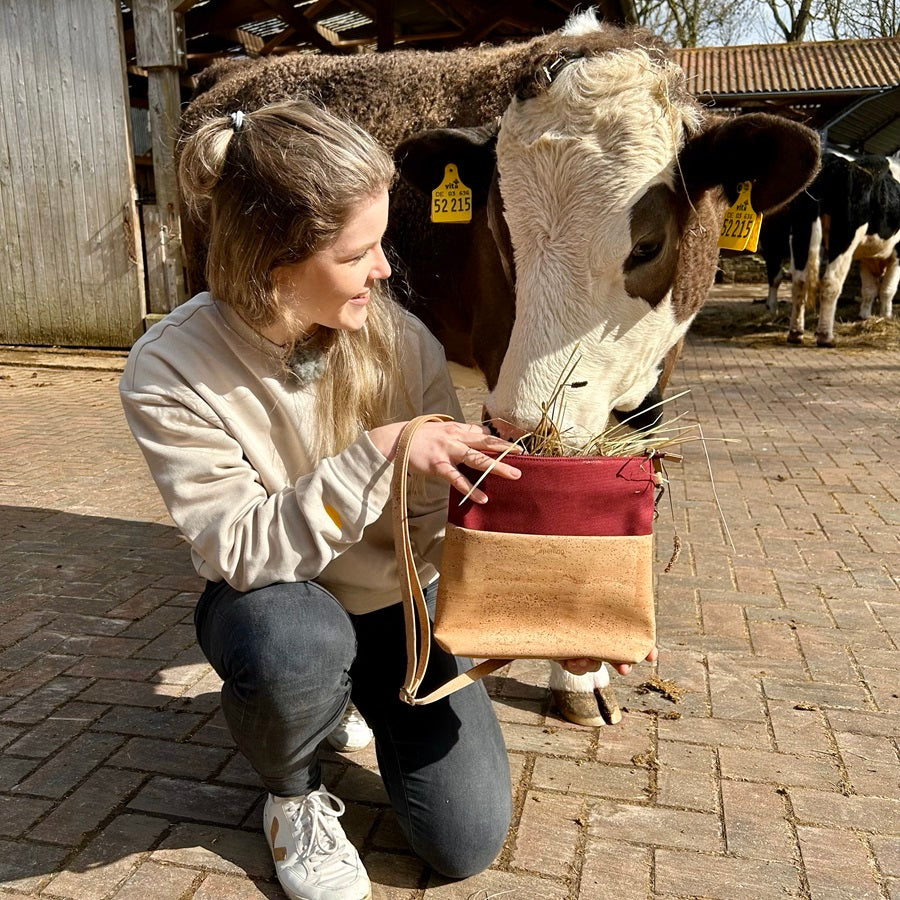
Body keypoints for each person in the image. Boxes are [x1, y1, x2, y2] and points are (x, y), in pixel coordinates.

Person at [120, 99, 530, 900]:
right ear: (274, 261)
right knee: (294, 646)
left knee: (466, 843)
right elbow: (236, 549)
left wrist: (551, 610)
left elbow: (442, 517)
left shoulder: (401, 338)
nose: (384, 269)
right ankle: (294, 793)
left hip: (399, 600)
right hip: (281, 602)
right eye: (360, 252)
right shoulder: (168, 370)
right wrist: (379, 451)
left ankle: (349, 692)